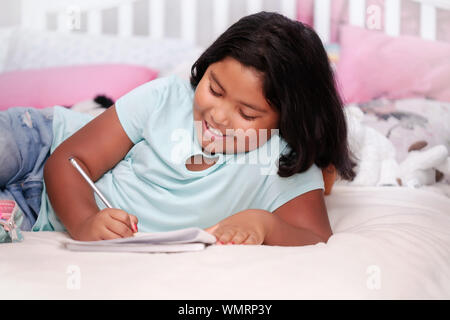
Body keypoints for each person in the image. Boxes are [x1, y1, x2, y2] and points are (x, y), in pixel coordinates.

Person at [0, 12, 355, 245]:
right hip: (40, 141)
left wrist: (265, 223)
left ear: (288, 120)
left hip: (29, 213)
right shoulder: (167, 96)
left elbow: (314, 235)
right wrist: (85, 223)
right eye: (214, 89)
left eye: (247, 113)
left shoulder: (283, 160)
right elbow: (69, 159)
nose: (218, 115)